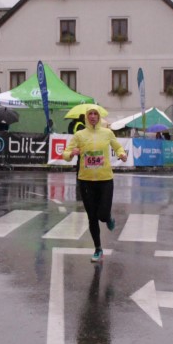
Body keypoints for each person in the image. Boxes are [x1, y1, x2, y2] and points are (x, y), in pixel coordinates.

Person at [62, 106, 127, 262]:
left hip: (105, 179)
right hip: (86, 181)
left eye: (95, 114)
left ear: (98, 117)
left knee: (102, 215)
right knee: (92, 217)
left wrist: (121, 154)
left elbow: (117, 147)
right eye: (90, 114)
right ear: (86, 117)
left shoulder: (107, 133)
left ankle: (108, 218)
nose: (92, 116)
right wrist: (71, 153)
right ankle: (98, 249)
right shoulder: (79, 135)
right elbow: (65, 153)